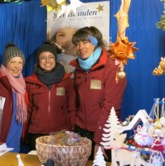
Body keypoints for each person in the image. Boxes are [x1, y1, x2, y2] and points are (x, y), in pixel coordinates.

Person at [70, 26, 127, 160]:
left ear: (96, 43)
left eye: (85, 42)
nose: (80, 47)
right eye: (77, 43)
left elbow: (111, 105)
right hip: (81, 131)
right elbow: (75, 103)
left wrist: (100, 140)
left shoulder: (112, 66)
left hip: (104, 131)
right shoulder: (78, 68)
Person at [25, 42, 76, 150]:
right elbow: (27, 110)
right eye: (43, 58)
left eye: (50, 57)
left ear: (55, 59)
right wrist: (24, 134)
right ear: (38, 61)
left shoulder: (67, 81)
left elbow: (72, 109)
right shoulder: (30, 82)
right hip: (37, 134)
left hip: (61, 135)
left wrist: (72, 131)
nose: (47, 61)